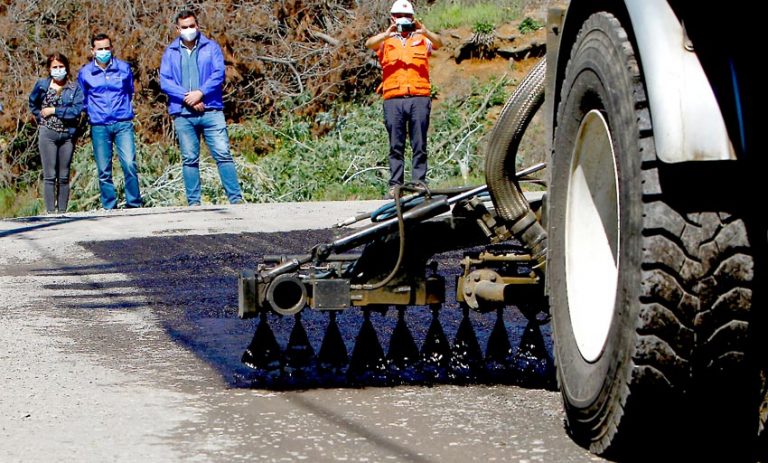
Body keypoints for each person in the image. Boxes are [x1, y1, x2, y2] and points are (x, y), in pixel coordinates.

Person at [159, 10, 244, 206]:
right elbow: (166, 81)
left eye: (191, 26)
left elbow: (218, 74)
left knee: (223, 154)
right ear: (177, 29)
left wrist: (201, 93)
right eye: (184, 27)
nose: (188, 30)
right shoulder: (170, 52)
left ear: (197, 26)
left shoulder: (211, 47)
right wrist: (187, 98)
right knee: (189, 158)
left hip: (211, 110)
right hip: (183, 113)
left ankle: (236, 199)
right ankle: (194, 203)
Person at [365, 0, 442, 198]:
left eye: (407, 16)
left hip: (419, 97)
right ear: (392, 17)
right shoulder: (386, 41)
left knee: (419, 144)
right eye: (399, 16)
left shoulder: (421, 39)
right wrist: (387, 33)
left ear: (413, 18)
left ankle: (419, 183)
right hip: (393, 99)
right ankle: (395, 186)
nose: (403, 20)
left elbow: (439, 44)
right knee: (395, 145)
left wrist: (424, 31)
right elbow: (369, 44)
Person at [78, 33, 142, 210]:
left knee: (129, 163)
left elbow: (129, 91)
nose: (104, 52)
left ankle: (134, 204)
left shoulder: (123, 68)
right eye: (100, 49)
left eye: (107, 48)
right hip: (99, 126)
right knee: (104, 169)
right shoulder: (85, 73)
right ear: (93, 51)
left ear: (112, 48)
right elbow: (83, 98)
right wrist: (93, 113)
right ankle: (109, 206)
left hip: (122, 123)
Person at [29, 53, 84, 214]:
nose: (58, 70)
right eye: (55, 67)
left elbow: (75, 111)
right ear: (49, 69)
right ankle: (51, 212)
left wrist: (54, 110)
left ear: (66, 68)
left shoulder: (74, 88)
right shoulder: (42, 86)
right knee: (50, 175)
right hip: (48, 134)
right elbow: (33, 103)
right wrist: (41, 117)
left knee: (64, 175)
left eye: (61, 67)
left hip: (67, 135)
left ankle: (62, 211)